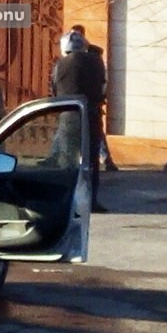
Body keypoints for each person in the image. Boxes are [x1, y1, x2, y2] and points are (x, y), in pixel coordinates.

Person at [51, 30, 108, 212]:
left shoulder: (60, 65)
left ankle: (67, 201)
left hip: (68, 115)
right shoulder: (96, 62)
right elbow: (103, 87)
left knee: (68, 161)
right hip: (91, 115)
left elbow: (53, 90)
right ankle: (91, 202)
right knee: (91, 162)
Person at [70, 24, 119, 172]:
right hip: (76, 98)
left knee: (96, 131)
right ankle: (57, 157)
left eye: (77, 35)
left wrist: (101, 95)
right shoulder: (71, 53)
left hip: (90, 99)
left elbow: (101, 77)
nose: (75, 38)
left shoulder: (92, 54)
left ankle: (105, 160)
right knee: (67, 129)